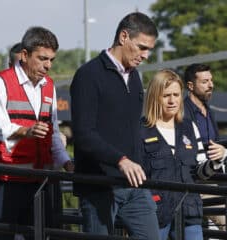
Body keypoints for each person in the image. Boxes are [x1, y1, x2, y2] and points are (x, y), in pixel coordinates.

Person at [70, 12, 160, 239]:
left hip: (134, 185)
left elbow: (133, 130)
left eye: (149, 49)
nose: (146, 55)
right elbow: (83, 134)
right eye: (141, 47)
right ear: (123, 37)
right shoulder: (88, 76)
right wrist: (121, 160)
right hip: (98, 185)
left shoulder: (135, 77)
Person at [0, 26, 74, 240]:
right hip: (9, 180)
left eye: (51, 59)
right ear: (24, 55)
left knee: (43, 236)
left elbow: (52, 132)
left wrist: (65, 161)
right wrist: (27, 131)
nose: (48, 65)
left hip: (41, 180)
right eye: (43, 58)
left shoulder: (49, 86)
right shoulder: (0, 82)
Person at [141, 69, 226, 240]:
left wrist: (216, 161)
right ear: (154, 96)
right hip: (154, 213)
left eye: (176, 95)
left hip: (189, 211)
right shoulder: (140, 130)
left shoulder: (190, 127)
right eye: (166, 96)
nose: (172, 101)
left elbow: (199, 173)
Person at [183, 63, 226, 230]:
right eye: (205, 81)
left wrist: (221, 151)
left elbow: (218, 144)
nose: (211, 85)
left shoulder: (209, 111)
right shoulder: (182, 112)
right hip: (196, 179)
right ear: (190, 86)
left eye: (211, 80)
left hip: (215, 175)